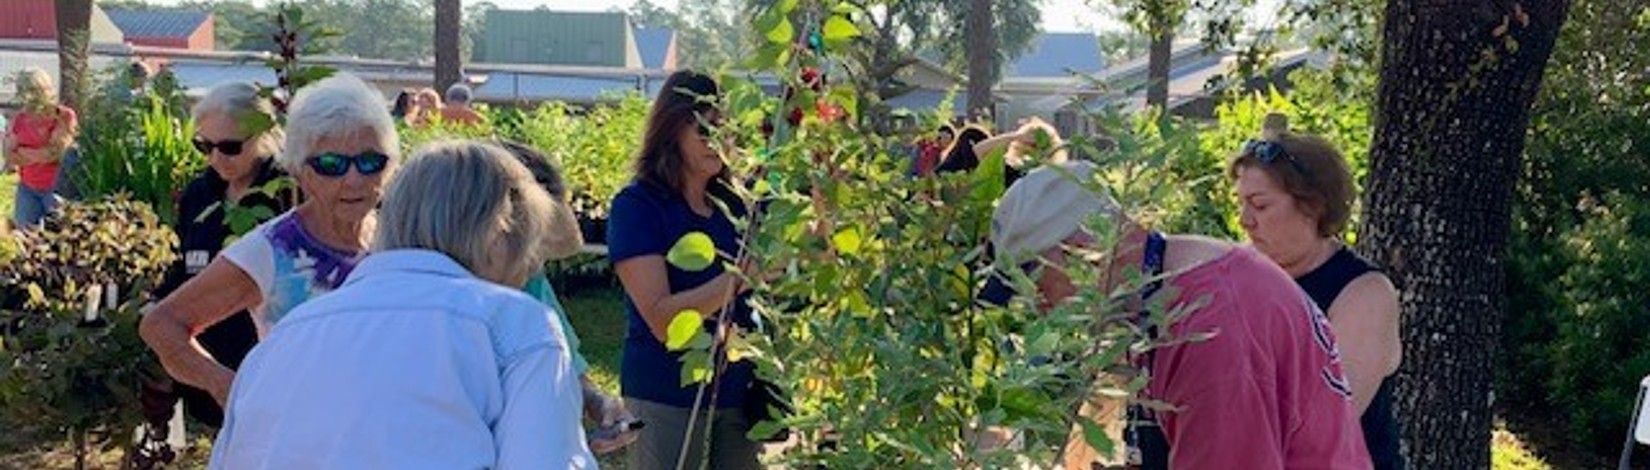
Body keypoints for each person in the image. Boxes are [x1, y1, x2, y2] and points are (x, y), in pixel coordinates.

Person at [209, 141, 595, 469]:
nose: (528, 268)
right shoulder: (516, 325)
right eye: (530, 249)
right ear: (499, 234)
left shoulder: (288, 334)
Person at [992, 161, 1371, 469]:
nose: (1037, 304)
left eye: (1036, 282)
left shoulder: (1210, 329)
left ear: (1084, 254)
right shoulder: (1162, 288)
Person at [141, 73, 399, 408]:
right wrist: (228, 387)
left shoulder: (398, 237)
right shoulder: (274, 249)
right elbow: (162, 324)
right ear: (299, 169)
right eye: (331, 165)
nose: (354, 180)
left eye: (370, 162)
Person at [608, 70, 761, 470]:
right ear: (672, 129)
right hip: (665, 389)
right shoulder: (639, 206)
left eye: (725, 130)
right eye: (704, 130)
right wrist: (738, 280)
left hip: (739, 391)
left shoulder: (735, 205)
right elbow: (661, 319)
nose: (719, 142)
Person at [1232, 113, 1403, 469]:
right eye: (1241, 203)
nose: (1245, 220)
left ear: (1312, 205)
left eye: (1260, 205)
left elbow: (1321, 423)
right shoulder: (1240, 273)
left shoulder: (1365, 294)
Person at [144, 81, 293, 428]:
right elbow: (180, 269)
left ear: (263, 135)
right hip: (209, 363)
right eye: (204, 146)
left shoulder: (288, 194)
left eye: (229, 147)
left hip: (269, 360)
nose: (216, 158)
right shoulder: (200, 194)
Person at [496, 139, 640, 454]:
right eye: (529, 250)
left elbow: (570, 368)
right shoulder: (443, 315)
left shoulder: (533, 284)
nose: (534, 266)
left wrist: (599, 404)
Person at [4, 68, 78, 228]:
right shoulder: (20, 119)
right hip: (28, 188)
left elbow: (55, 154)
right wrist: (37, 154)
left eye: (32, 90)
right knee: (25, 237)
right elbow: (9, 155)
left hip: (57, 189)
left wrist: (23, 151)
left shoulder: (63, 116)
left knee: (59, 236)